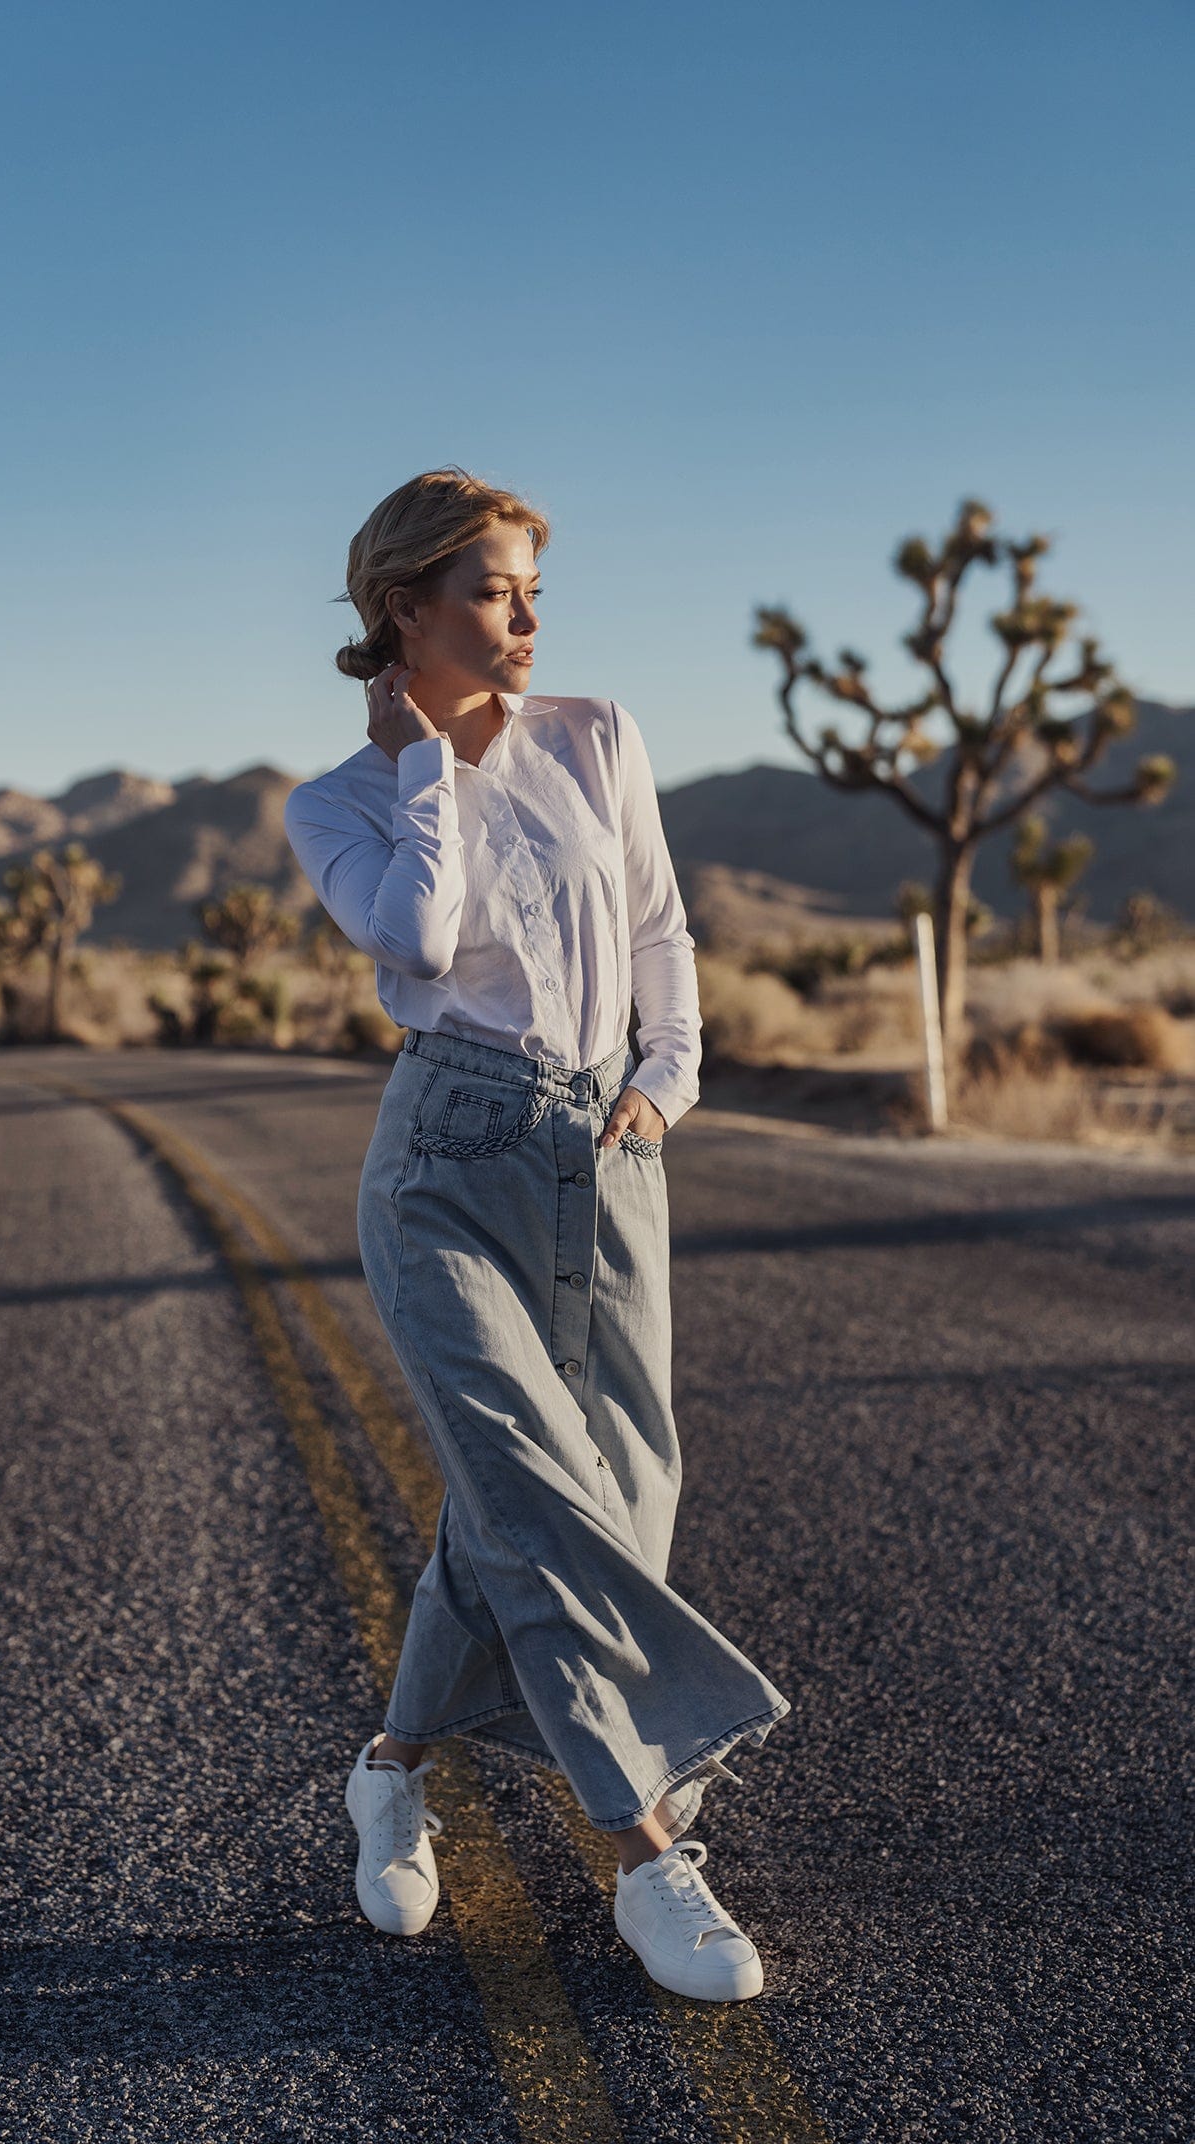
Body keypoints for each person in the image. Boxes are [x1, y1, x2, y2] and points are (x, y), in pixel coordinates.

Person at [283, 466, 792, 2002]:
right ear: (404, 611)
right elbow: (416, 941)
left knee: (616, 1496)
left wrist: (669, 1084)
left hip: (605, 1150)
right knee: (527, 1493)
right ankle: (647, 1856)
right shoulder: (340, 802)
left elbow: (655, 929)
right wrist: (423, 765)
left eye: (530, 592)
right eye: (492, 591)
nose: (523, 618)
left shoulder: (597, 735)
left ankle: (390, 1767)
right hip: (442, 1163)